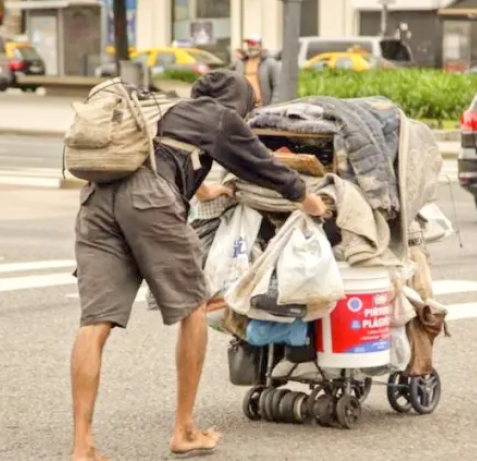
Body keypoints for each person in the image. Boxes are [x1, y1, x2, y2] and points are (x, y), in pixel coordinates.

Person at [69, 69, 327, 461]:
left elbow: (160, 156)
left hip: (96, 201)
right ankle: (185, 430)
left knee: (95, 323)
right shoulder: (222, 117)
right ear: (238, 101)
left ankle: (82, 445)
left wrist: (206, 188)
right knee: (193, 309)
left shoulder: (168, 109)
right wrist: (311, 202)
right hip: (148, 201)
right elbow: (266, 168)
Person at [233, 33, 281, 107]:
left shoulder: (270, 63)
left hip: (263, 106)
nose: (250, 46)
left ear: (260, 46)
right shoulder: (241, 63)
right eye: (248, 44)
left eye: (253, 43)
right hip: (245, 107)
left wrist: (273, 106)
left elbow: (278, 86)